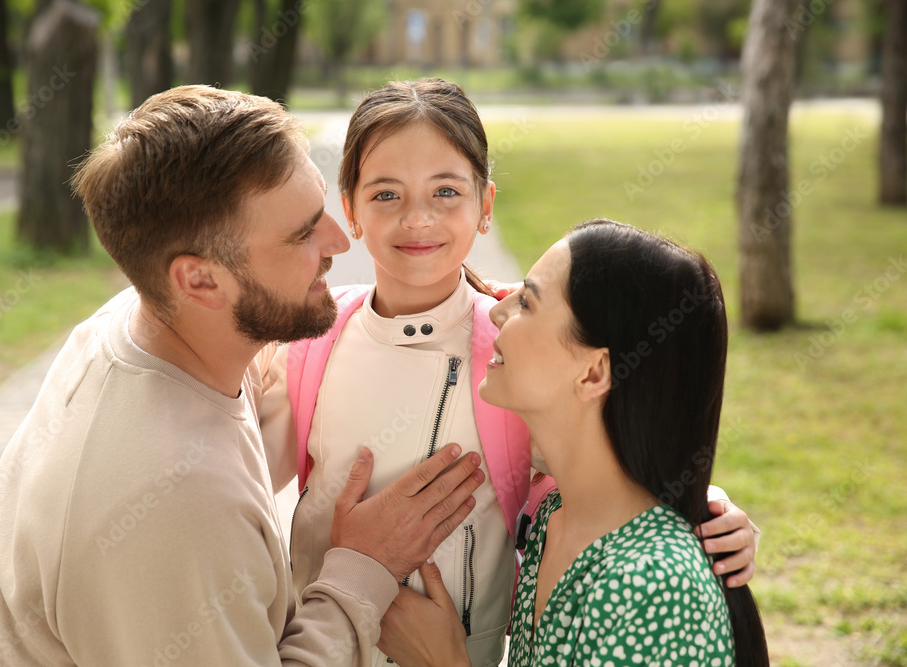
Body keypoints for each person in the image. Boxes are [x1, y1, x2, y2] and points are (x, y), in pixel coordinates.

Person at [0, 85, 488, 666]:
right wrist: (362, 571)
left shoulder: (134, 320)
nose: (339, 242)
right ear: (201, 282)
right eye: (302, 234)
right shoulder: (172, 504)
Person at [258, 79, 760, 667]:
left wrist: (710, 511)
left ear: (486, 206)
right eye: (386, 195)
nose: (418, 218)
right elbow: (238, 480)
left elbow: (609, 465)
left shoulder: (515, 352)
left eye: (446, 191)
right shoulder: (311, 343)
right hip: (325, 645)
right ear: (351, 210)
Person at [378, 219, 770, 666]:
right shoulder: (552, 520)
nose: (497, 312)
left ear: (593, 373)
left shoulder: (652, 585)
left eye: (526, 302)